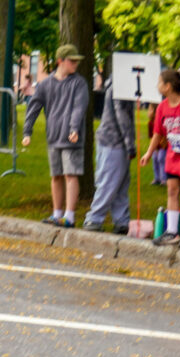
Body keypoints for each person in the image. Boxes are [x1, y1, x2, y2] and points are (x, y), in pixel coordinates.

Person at [22, 44, 88, 227]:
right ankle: (56, 213)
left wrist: (74, 128)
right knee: (56, 176)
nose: (75, 64)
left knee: (70, 175)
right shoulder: (45, 84)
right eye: (71, 60)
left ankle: (69, 216)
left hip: (71, 139)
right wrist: (27, 131)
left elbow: (79, 108)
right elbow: (33, 108)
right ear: (60, 61)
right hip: (53, 136)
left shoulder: (79, 83)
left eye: (76, 61)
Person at [141, 68, 180, 246]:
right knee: (172, 190)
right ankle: (172, 231)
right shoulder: (162, 107)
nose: (157, 86)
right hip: (173, 156)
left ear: (168, 86)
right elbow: (157, 133)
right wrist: (148, 152)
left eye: (159, 82)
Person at [85, 70, 136, 234]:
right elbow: (122, 117)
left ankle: (121, 219)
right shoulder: (120, 88)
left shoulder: (118, 85)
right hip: (114, 141)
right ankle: (94, 218)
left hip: (112, 140)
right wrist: (130, 144)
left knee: (120, 183)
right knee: (109, 181)